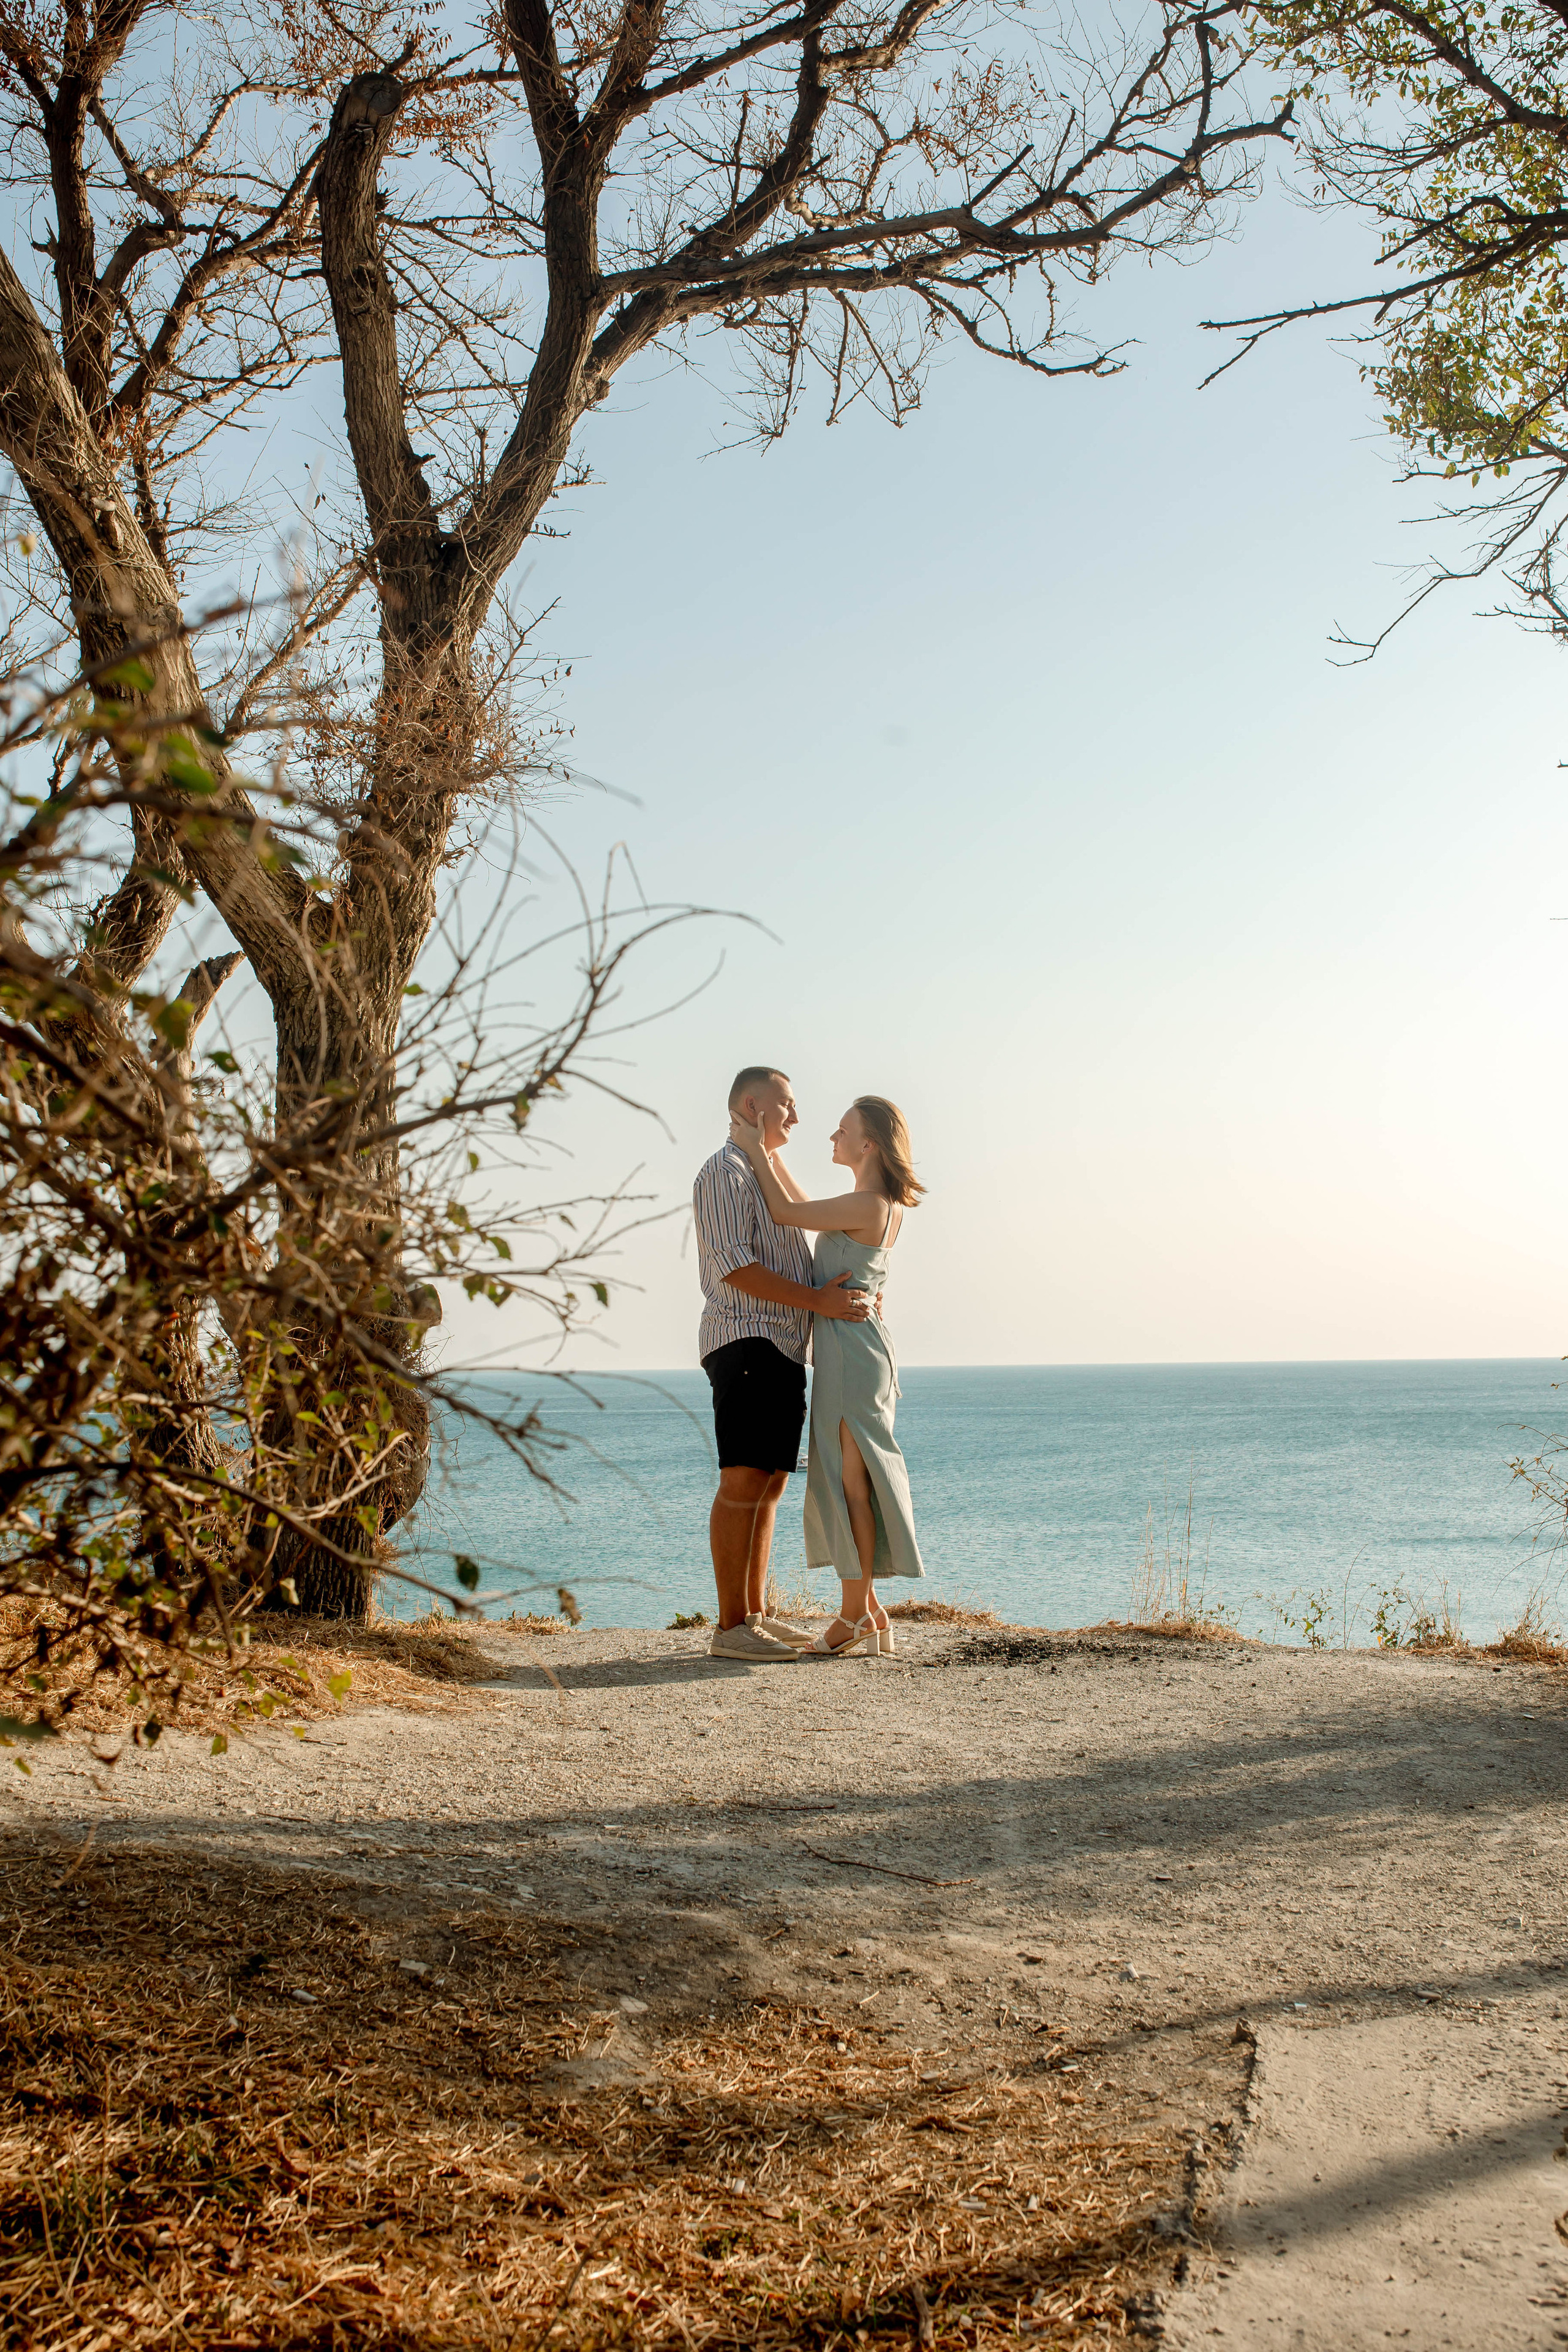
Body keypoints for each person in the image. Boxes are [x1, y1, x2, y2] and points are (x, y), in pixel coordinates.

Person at [727, 1093, 925, 1656]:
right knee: (853, 1483)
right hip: (858, 1350)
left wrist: (752, 1149)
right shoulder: (873, 1203)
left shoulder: (867, 1204)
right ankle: (870, 1612)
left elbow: (788, 1213)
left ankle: (852, 1617)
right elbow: (807, 1204)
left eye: (842, 1132)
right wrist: (769, 1152)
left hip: (852, 1356)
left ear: (870, 1144)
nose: (831, 1139)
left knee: (851, 1487)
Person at [692, 1066, 876, 1662]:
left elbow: (799, 1213)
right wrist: (820, 1302)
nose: (797, 1117)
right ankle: (729, 1627)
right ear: (752, 1105)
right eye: (787, 1106)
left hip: (778, 1347)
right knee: (743, 1479)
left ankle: (753, 1616)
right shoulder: (724, 1171)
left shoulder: (758, 1171)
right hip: (745, 1339)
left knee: (769, 1484)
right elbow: (733, 1266)